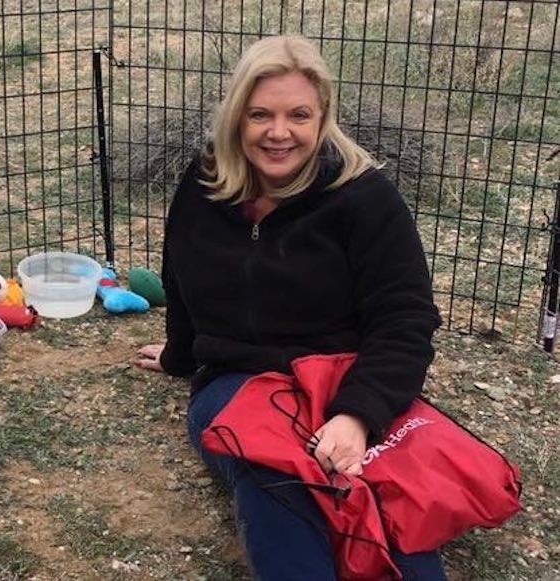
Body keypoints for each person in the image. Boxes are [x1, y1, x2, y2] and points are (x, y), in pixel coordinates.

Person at [135, 35, 446, 580]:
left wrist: (358, 415)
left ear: (323, 116)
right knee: (271, 466)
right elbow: (179, 279)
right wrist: (181, 354)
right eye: (260, 114)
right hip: (239, 381)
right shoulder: (205, 182)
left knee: (371, 484)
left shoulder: (365, 198)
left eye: (298, 115)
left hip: (342, 376)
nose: (278, 133)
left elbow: (405, 317)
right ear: (237, 117)